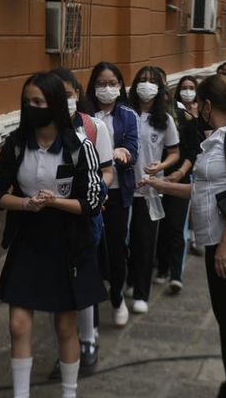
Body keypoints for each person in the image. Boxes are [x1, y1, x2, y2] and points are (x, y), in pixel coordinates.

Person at [0, 71, 107, 398]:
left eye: (38, 101)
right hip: (28, 238)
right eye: (27, 101)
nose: (31, 107)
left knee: (65, 326)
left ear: (54, 103)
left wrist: (56, 202)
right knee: (18, 325)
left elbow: (92, 202)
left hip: (67, 240)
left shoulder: (78, 145)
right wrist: (26, 203)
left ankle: (70, 392)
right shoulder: (16, 144)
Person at [142, 73, 226, 398]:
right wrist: (163, 185)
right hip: (216, 242)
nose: (194, 108)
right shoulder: (219, 137)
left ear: (207, 105)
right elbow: (206, 190)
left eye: (197, 103)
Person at [50, 66, 114, 373]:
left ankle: (88, 340)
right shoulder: (42, 132)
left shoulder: (93, 127)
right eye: (56, 95)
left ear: (78, 94)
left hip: (85, 216)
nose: (63, 101)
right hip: (52, 218)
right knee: (57, 283)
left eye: (68, 94)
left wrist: (96, 191)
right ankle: (66, 344)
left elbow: (108, 170)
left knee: (83, 278)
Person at [86, 62, 139, 327]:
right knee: (91, 249)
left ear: (120, 86)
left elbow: (132, 150)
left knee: (117, 249)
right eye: (101, 83)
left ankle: (116, 296)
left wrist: (121, 154)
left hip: (117, 193)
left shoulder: (128, 115)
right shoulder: (84, 115)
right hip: (88, 193)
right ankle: (90, 308)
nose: (106, 89)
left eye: (112, 83)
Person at [127, 66, 180, 314]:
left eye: (151, 81)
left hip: (150, 190)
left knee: (145, 242)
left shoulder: (164, 119)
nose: (146, 85)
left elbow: (175, 152)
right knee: (123, 241)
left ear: (159, 88)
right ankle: (128, 279)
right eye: (142, 80)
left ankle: (141, 293)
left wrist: (163, 165)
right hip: (123, 188)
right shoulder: (125, 114)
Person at [153, 75, 204, 293]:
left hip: (178, 178)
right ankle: (162, 268)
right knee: (160, 227)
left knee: (175, 226)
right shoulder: (148, 119)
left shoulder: (185, 119)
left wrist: (181, 172)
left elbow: (193, 152)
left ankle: (175, 274)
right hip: (154, 179)